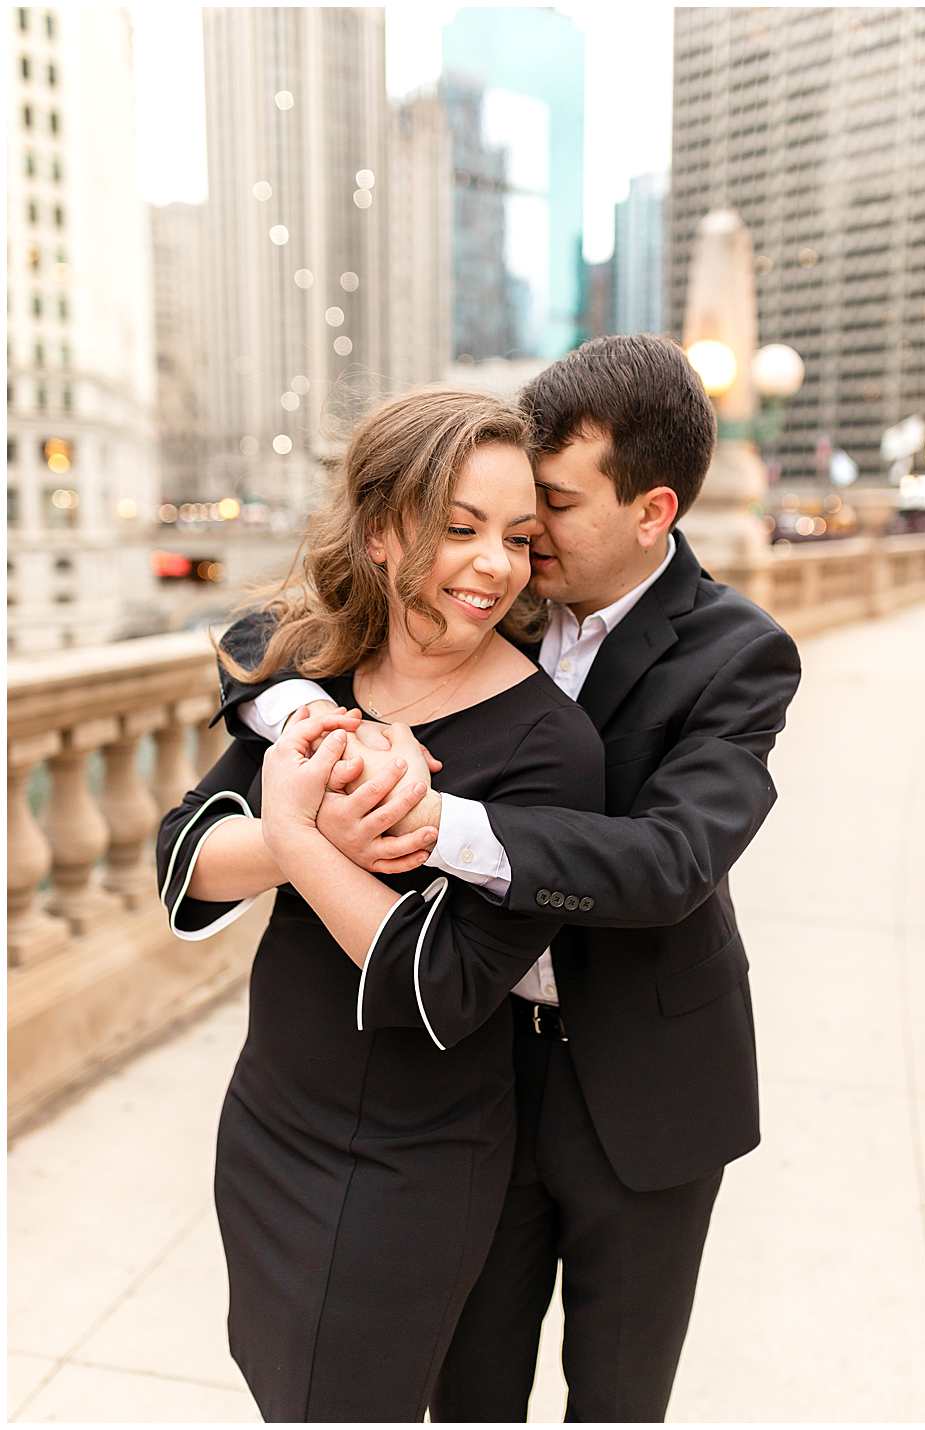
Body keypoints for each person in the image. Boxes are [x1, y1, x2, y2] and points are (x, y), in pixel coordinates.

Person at [215, 334, 803, 1420]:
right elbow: (269, 630)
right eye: (497, 516)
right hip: (472, 1082)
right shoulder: (497, 588)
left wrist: (430, 817)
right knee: (468, 1390)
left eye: (552, 510)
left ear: (652, 509)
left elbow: (671, 862)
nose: (513, 545)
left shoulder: (739, 652)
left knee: (618, 1397)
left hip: (644, 1084)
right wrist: (313, 717)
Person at [155, 388, 606, 1420]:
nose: (492, 563)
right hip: (268, 1115)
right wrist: (284, 829)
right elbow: (182, 849)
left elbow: (438, 984)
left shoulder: (552, 745)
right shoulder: (321, 678)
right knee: (281, 1385)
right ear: (381, 530)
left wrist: (310, 842)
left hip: (411, 1155)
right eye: (459, 528)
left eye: (516, 536)